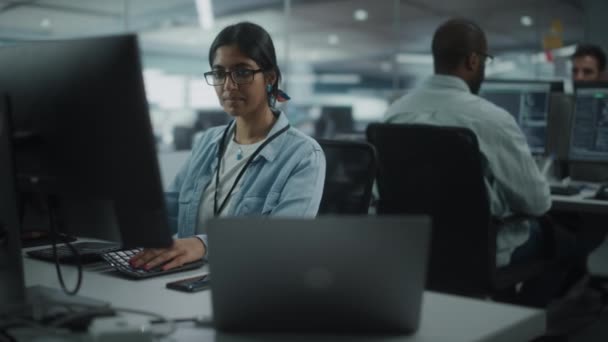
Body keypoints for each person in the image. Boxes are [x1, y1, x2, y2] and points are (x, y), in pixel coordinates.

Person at [384, 18, 586, 306]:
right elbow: (537, 203)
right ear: (473, 60)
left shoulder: (394, 114)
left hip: (416, 250)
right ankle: (523, 321)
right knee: (569, 244)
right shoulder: (491, 119)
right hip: (484, 251)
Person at [130, 22, 326, 271]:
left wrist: (203, 245)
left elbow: (282, 240)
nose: (228, 86)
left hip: (248, 283)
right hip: (180, 279)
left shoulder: (303, 155)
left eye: (242, 72)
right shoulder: (208, 142)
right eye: (220, 73)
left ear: (270, 77)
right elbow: (167, 214)